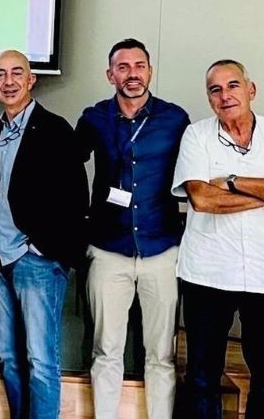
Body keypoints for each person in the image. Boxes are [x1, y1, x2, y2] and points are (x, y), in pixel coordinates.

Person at [171, 59, 264, 419]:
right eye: (215, 89)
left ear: (251, 89)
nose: (224, 95)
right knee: (202, 377)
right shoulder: (197, 136)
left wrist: (231, 181)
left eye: (233, 85)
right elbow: (202, 198)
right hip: (208, 273)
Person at [75, 39, 189, 419]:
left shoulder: (175, 119)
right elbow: (68, 169)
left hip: (161, 248)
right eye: (123, 67)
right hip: (109, 249)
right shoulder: (94, 118)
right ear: (111, 75)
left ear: (150, 71)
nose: (132, 74)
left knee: (162, 353)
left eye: (139, 65)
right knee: (106, 349)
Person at [0, 50, 88, 419]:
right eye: (0, 75)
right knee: (9, 358)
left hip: (36, 261)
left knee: (41, 360)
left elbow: (77, 196)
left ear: (32, 80)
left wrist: (51, 252)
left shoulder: (55, 128)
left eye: (17, 73)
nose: (9, 81)